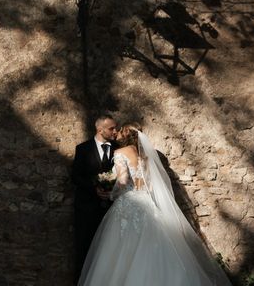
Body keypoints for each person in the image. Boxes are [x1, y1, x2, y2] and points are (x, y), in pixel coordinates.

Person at [78, 122, 232, 286]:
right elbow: (149, 185)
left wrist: (110, 194)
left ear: (126, 135)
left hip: (128, 202)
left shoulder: (120, 152)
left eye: (120, 131)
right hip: (146, 201)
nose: (117, 134)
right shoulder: (144, 157)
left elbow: (122, 181)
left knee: (121, 247)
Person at [71, 114, 118, 283]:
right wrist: (95, 189)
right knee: (84, 248)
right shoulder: (83, 149)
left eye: (116, 127)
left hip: (112, 209)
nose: (115, 131)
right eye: (112, 128)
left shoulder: (119, 148)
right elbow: (76, 176)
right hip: (87, 209)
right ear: (100, 129)